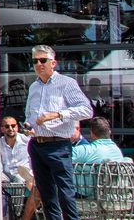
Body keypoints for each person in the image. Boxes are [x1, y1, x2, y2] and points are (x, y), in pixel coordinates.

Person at [25, 44, 94, 220]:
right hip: (37, 144)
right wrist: (28, 126)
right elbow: (30, 116)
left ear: (53, 63)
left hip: (58, 145)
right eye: (35, 61)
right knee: (46, 195)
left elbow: (87, 110)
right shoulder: (33, 87)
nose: (39, 64)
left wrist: (57, 114)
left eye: (43, 60)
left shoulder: (66, 83)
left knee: (65, 193)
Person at [1, 116, 39, 220]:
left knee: (19, 178)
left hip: (22, 172)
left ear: (17, 127)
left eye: (13, 126)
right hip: (6, 173)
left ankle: (16, 213)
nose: (10, 128)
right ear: (2, 129)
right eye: (7, 126)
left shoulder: (26, 140)